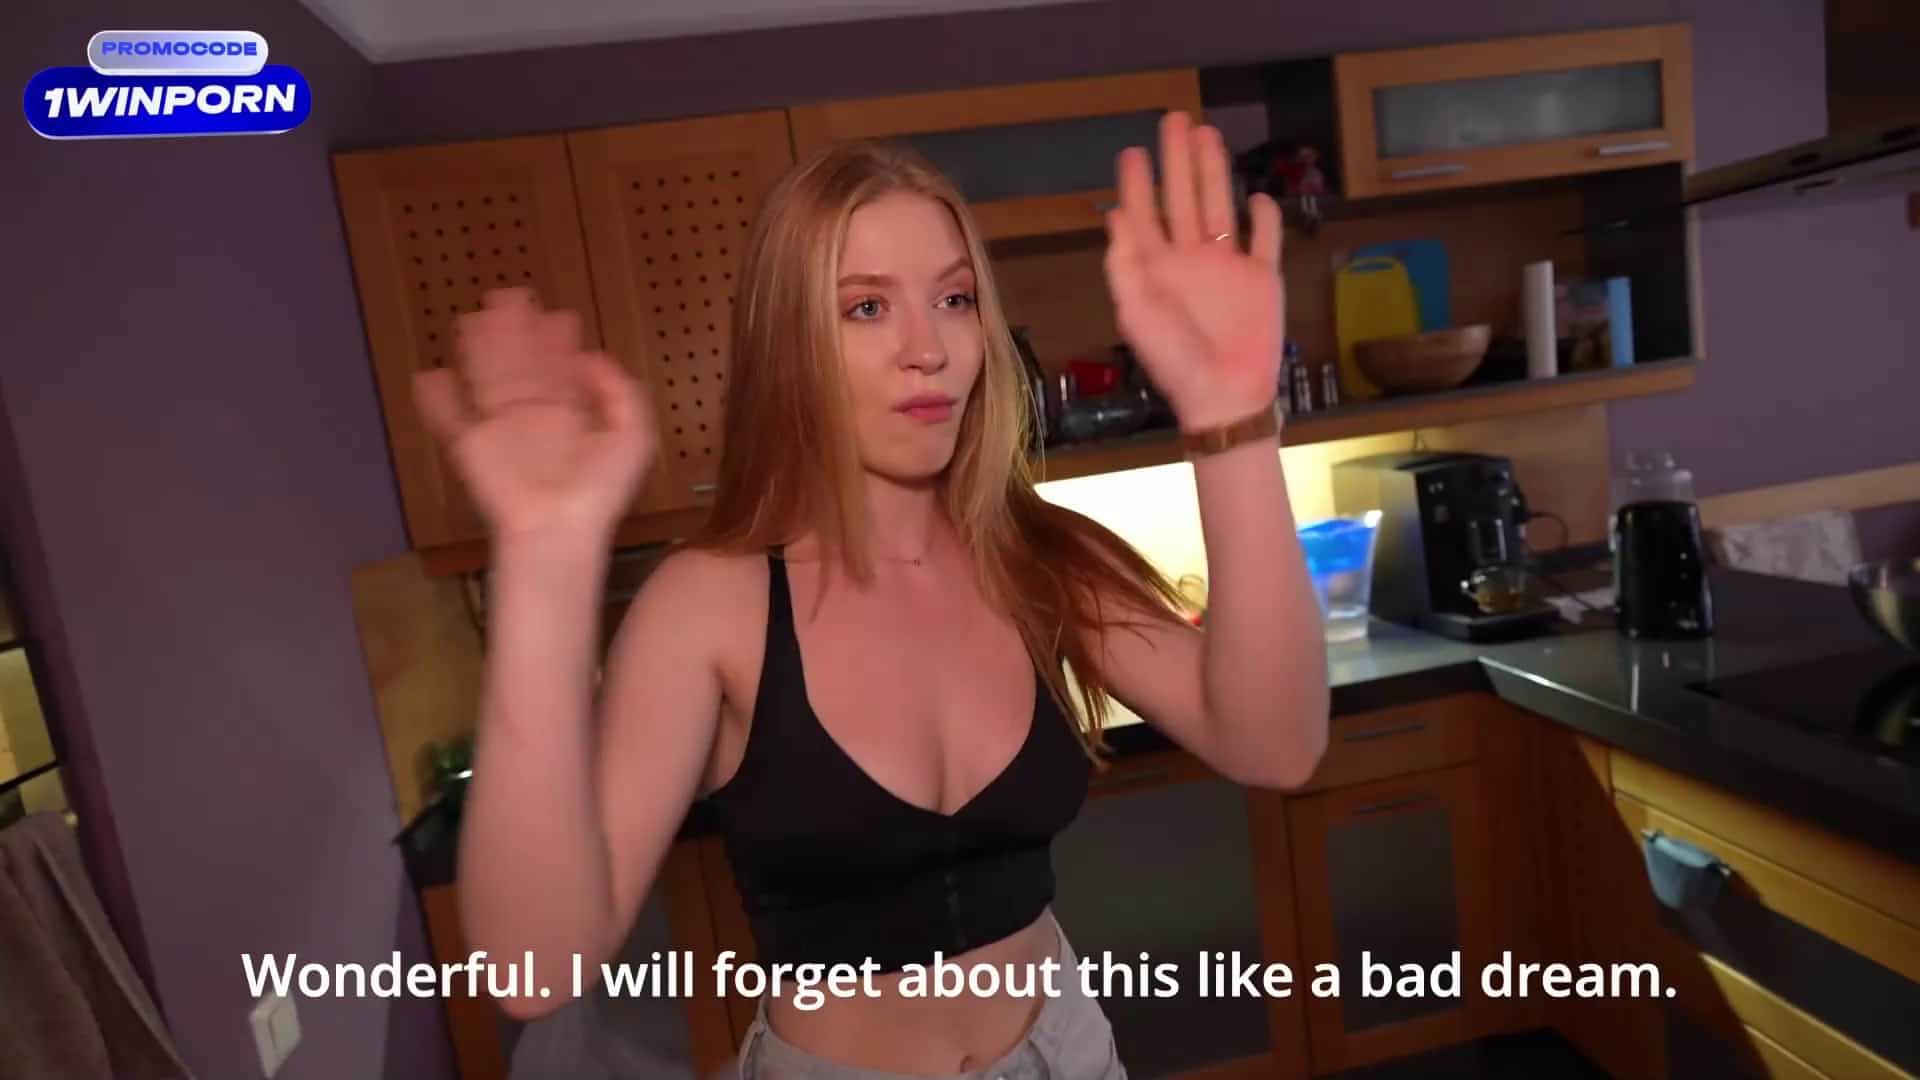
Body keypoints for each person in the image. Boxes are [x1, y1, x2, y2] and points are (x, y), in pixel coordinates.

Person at [414, 110, 1331, 1079]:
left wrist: (1235, 419)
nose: (927, 348)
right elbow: (533, 970)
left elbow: (1274, 743)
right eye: (865, 308)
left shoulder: (1044, 558)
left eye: (954, 299)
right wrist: (544, 552)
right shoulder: (711, 606)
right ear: (787, 344)